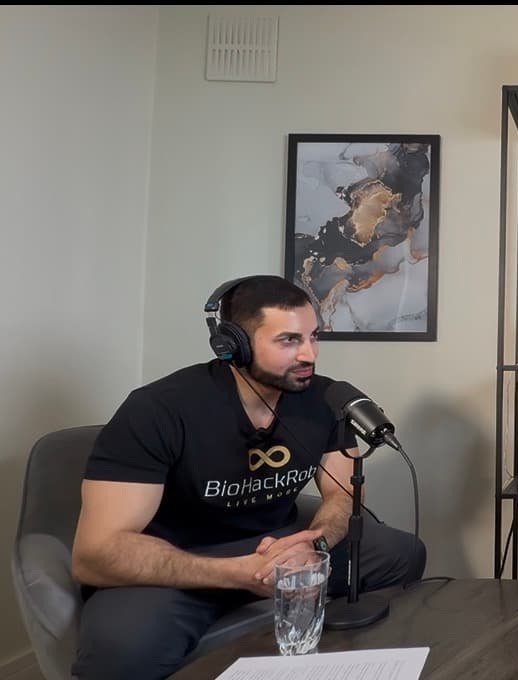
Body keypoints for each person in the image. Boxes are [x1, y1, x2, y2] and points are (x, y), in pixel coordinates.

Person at [70, 275, 426, 679]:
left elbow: (342, 495)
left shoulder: (326, 400)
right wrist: (238, 573)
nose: (310, 354)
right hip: (176, 565)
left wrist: (316, 542)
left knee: (403, 553)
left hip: (280, 548)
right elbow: (94, 554)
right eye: (289, 341)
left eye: (314, 336)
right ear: (231, 345)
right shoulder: (157, 409)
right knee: (120, 654)